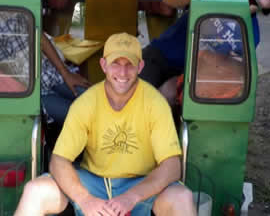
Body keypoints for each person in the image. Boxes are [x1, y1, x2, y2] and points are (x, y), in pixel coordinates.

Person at [14, 32, 197, 216]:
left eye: (129, 65)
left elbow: (172, 166)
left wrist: (132, 196)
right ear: (103, 65)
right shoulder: (86, 102)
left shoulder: (155, 103)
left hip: (141, 184)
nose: (123, 72)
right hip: (93, 182)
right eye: (115, 63)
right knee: (35, 191)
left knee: (182, 197)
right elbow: (59, 160)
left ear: (140, 66)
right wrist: (85, 199)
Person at [139, 0, 270, 90]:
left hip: (185, 77)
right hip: (158, 58)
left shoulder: (252, 34)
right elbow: (172, 1)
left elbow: (224, 70)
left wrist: (180, 83)